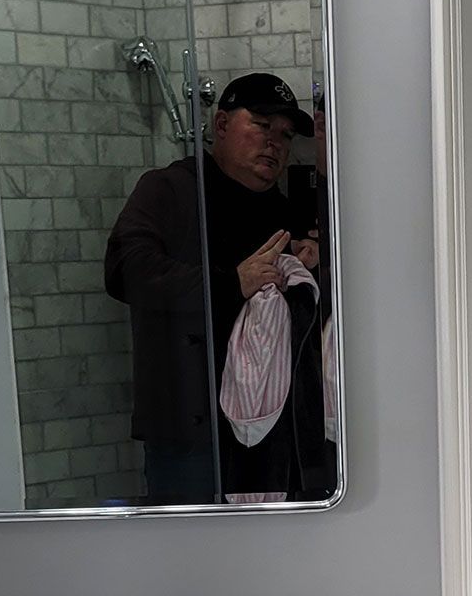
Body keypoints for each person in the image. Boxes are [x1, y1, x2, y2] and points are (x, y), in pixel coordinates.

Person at [104, 71, 334, 503]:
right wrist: (232, 283)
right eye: (262, 126)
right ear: (223, 125)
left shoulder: (282, 212)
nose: (275, 143)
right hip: (191, 431)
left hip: (268, 433)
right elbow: (124, 269)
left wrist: (309, 269)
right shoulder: (170, 189)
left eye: (284, 135)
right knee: (191, 559)